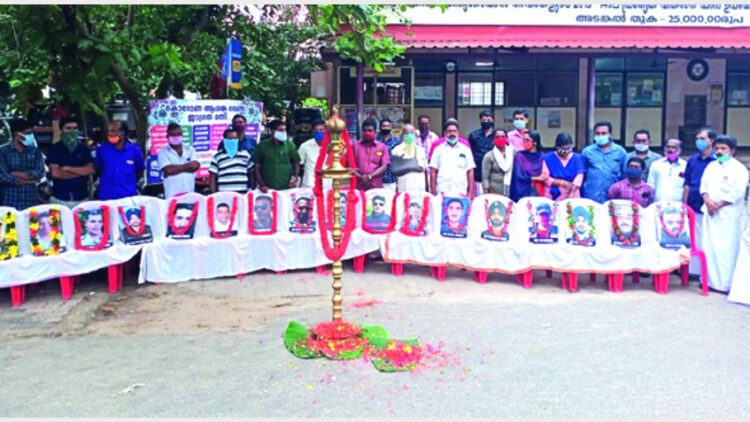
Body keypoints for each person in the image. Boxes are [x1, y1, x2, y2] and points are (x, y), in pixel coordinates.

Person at [699, 135, 749, 292]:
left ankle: (725, 285)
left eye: (723, 148)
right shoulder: (711, 166)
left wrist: (719, 204)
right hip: (710, 214)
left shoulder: (739, 169)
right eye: (717, 148)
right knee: (709, 248)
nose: (719, 151)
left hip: (729, 217)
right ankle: (709, 281)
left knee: (726, 251)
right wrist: (708, 200)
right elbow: (703, 186)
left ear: (732, 151)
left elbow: (738, 191)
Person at [683, 127, 716, 277]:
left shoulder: (716, 161)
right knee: (694, 238)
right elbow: (687, 183)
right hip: (693, 204)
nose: (699, 141)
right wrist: (684, 205)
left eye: (702, 138)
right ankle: (693, 271)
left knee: (708, 239)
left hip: (711, 206)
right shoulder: (692, 160)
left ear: (711, 141)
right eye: (698, 138)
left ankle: (708, 272)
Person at [46, 116, 94, 208]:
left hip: (82, 198)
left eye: (75, 128)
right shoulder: (54, 149)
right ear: (61, 130)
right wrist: (81, 172)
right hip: (59, 199)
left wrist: (67, 168)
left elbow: (91, 170)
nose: (72, 131)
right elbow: (55, 173)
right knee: (57, 223)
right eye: (68, 128)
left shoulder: (83, 149)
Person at [0, 118, 45, 209]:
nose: (31, 136)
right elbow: (3, 177)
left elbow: (40, 173)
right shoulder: (2, 152)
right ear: (17, 134)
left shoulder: (35, 151)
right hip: (9, 201)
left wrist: (15, 173)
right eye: (28, 133)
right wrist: (31, 181)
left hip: (31, 201)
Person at [95, 120, 145, 200]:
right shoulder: (102, 150)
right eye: (109, 131)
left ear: (123, 132)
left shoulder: (135, 151)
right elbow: (99, 170)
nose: (109, 134)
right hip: (107, 196)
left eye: (113, 131)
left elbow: (139, 171)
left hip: (128, 196)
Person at [581, 121, 627, 203]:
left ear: (610, 134)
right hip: (591, 196)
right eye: (597, 133)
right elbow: (582, 174)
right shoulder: (587, 152)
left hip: (613, 197)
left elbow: (624, 175)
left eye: (603, 133)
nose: (600, 136)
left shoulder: (620, 152)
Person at [429, 120, 475, 197]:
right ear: (445, 133)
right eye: (449, 131)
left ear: (458, 133)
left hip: (460, 191)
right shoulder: (438, 149)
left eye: (454, 131)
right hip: (442, 191)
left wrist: (470, 193)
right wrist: (433, 193)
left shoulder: (465, 149)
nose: (452, 133)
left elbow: (470, 171)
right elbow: (433, 172)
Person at [253, 120, 301, 192]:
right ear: (273, 131)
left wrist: (295, 177)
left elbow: (296, 164)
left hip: (287, 187)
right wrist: (261, 184)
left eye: (285, 130)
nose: (284, 132)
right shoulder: (262, 145)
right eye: (281, 130)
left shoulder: (290, 146)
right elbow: (257, 167)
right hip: (267, 188)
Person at [157, 123, 200, 198]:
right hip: (172, 197)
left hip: (189, 196)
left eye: (178, 134)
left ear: (182, 135)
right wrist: (188, 166)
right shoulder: (162, 152)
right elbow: (168, 170)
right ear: (167, 137)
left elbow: (195, 166)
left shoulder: (190, 150)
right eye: (173, 135)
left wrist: (175, 169)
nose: (176, 137)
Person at [209, 128, 253, 194]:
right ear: (224, 140)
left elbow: (251, 174)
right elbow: (212, 177)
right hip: (224, 194)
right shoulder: (217, 156)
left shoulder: (245, 154)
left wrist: (251, 189)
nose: (233, 141)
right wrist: (214, 194)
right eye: (230, 139)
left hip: (242, 194)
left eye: (235, 139)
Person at [509, 130, 549, 202]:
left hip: (539, 191)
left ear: (535, 142)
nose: (524, 142)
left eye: (527, 140)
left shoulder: (542, 156)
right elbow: (518, 177)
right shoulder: (519, 156)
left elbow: (546, 175)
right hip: (523, 193)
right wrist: (537, 178)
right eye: (523, 140)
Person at [544, 133, 584, 200]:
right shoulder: (547, 158)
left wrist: (572, 191)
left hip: (572, 192)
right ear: (557, 147)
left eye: (568, 148)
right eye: (563, 149)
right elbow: (545, 177)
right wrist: (562, 183)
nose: (565, 151)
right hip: (552, 193)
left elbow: (579, 177)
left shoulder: (577, 158)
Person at [352, 119, 389, 191]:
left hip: (375, 184)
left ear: (375, 131)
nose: (367, 133)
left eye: (370, 130)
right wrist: (360, 177)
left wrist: (369, 177)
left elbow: (384, 166)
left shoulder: (382, 147)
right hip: (358, 184)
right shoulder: (354, 146)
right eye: (365, 130)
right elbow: (349, 164)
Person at [390, 124, 427, 192]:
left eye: (412, 133)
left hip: (419, 186)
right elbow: (395, 170)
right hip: (404, 186)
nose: (410, 135)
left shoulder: (421, 150)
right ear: (403, 134)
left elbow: (424, 169)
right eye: (407, 133)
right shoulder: (396, 150)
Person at [647, 138, 687, 202]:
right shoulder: (656, 164)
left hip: (678, 205)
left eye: (674, 147)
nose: (670, 149)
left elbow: (686, 187)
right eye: (668, 147)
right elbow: (650, 185)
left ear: (680, 150)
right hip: (658, 204)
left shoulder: (685, 166)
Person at [481, 128, 514, 196]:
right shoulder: (489, 156)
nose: (500, 139)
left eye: (502, 136)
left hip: (511, 190)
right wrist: (486, 194)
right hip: (494, 192)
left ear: (507, 138)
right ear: (493, 139)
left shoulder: (514, 153)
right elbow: (485, 177)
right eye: (497, 137)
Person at [468, 110, 495, 186]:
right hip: (478, 171)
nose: (486, 122)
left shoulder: (497, 135)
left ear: (493, 120)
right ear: (480, 120)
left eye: (489, 120)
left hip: (493, 171)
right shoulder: (473, 135)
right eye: (484, 120)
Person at [298, 120, 325, 188]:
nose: (319, 132)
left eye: (321, 130)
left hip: (327, 185)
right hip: (309, 185)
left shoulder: (333, 147)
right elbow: (299, 164)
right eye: (316, 130)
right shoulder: (305, 146)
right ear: (313, 132)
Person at [376, 118, 401, 192]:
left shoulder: (396, 141)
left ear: (390, 127)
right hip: (377, 177)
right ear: (380, 127)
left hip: (391, 177)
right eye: (384, 126)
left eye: (388, 126)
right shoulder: (376, 140)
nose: (386, 128)